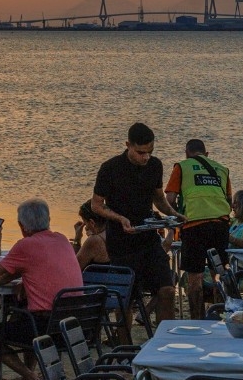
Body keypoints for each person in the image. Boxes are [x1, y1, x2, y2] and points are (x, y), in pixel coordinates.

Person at [0, 198, 82, 380]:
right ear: (49, 219)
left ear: (21, 226)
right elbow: (49, 271)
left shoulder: (26, 245)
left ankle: (33, 378)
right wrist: (27, 280)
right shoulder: (62, 239)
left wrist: (14, 275)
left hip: (45, 326)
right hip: (74, 325)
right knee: (25, 312)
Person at [91, 122, 185, 324]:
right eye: (141, 152)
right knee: (125, 298)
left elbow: (158, 198)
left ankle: (162, 342)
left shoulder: (155, 165)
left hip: (148, 238)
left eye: (150, 152)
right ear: (128, 145)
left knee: (167, 289)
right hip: (121, 242)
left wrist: (174, 214)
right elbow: (96, 205)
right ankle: (125, 348)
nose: (146, 157)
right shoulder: (110, 168)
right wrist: (119, 218)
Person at [164, 139, 232, 321]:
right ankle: (220, 317)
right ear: (206, 154)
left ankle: (198, 320)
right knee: (218, 274)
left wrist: (171, 217)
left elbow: (169, 200)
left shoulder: (182, 167)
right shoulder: (222, 169)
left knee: (195, 278)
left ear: (186, 153)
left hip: (194, 225)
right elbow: (229, 201)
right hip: (220, 225)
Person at [72, 202, 110, 268]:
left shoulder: (94, 240)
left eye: (85, 223)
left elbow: (74, 268)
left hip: (96, 278)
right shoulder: (111, 233)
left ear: (92, 222)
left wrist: (77, 238)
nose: (86, 227)